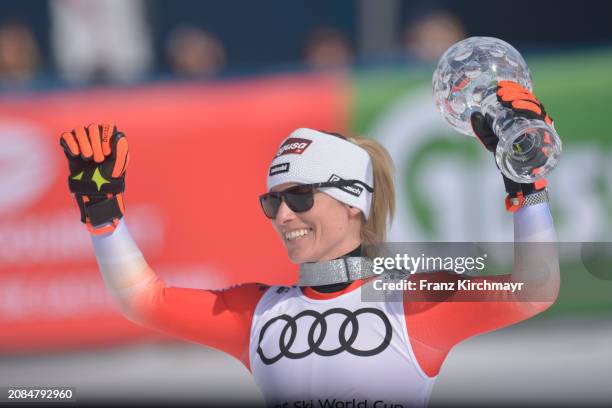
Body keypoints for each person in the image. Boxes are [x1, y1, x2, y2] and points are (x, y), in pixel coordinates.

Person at [59, 82, 559, 406]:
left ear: (353, 202)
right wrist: (102, 216)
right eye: (271, 202)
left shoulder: (413, 299)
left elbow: (535, 288)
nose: (283, 216)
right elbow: (144, 301)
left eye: (299, 197)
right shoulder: (256, 312)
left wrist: (527, 186)